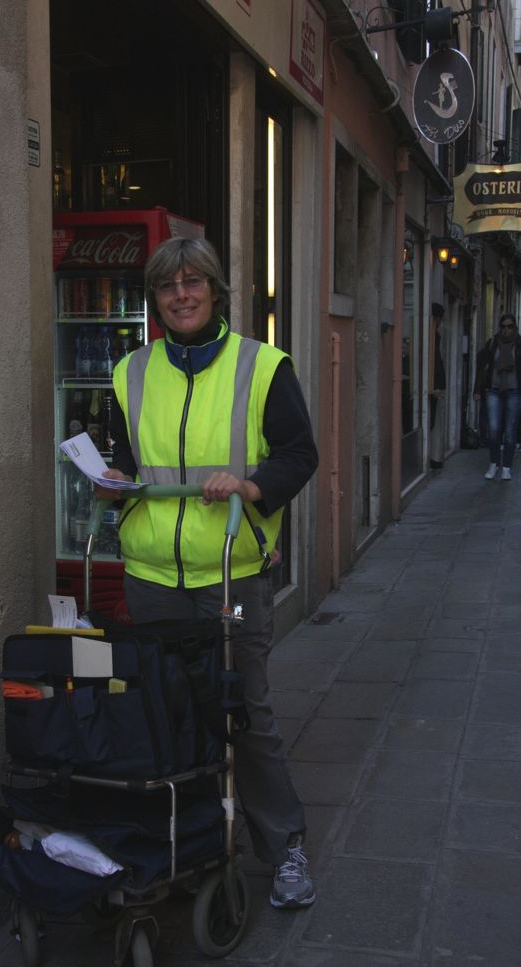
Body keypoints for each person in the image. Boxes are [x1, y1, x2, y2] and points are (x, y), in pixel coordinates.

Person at [95, 236, 319, 909]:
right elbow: (125, 461)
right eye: (168, 285)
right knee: (166, 712)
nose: (181, 295)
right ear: (156, 298)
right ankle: (187, 842)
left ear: (216, 291)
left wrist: (252, 486)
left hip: (231, 575)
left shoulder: (263, 366)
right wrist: (112, 482)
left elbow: (299, 452)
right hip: (152, 575)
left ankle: (284, 848)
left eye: (193, 282)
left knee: (245, 711)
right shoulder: (129, 371)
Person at [474, 313, 521, 480]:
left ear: (514, 327)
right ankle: (494, 464)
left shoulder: (519, 344)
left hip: (514, 392)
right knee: (493, 430)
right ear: (500, 328)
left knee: (510, 431)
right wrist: (477, 389)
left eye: (509, 326)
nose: (506, 330)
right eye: (503, 326)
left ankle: (507, 467)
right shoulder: (493, 344)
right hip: (493, 391)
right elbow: (482, 367)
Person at [429, 303, 447, 470]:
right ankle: (430, 459)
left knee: (432, 421)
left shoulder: (435, 335)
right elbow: (432, 361)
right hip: (432, 386)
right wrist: (433, 386)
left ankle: (430, 458)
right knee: (430, 421)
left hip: (434, 384)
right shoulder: (430, 335)